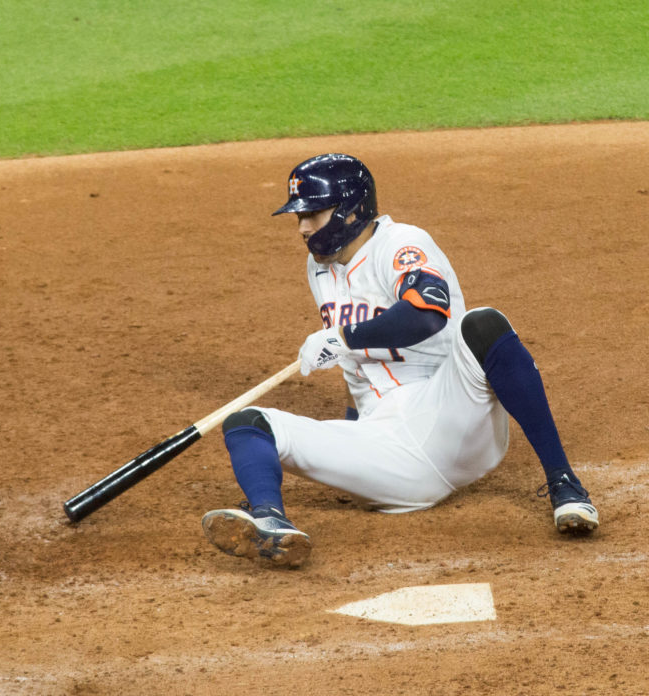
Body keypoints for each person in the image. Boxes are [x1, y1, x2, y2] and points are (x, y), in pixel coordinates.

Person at [201, 153, 598, 568]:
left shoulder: (400, 244)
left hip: (449, 415)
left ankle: (564, 484)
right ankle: (270, 520)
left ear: (351, 209)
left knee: (484, 324)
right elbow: (357, 366)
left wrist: (343, 336)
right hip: (387, 452)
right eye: (298, 217)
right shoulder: (319, 268)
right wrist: (349, 436)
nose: (301, 228)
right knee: (247, 422)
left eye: (312, 214)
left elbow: (426, 313)